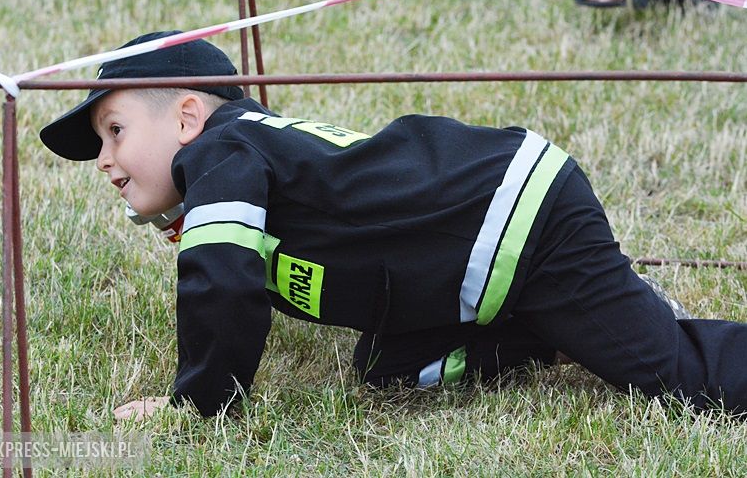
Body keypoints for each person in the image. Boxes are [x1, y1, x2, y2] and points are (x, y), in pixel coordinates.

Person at [39, 31, 747, 420]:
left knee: (671, 374)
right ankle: (550, 328)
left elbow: (222, 282)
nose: (104, 159)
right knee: (386, 368)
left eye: (114, 130)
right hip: (464, 261)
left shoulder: (223, 151)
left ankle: (603, 316)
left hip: (519, 216)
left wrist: (195, 403)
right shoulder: (232, 161)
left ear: (188, 117)